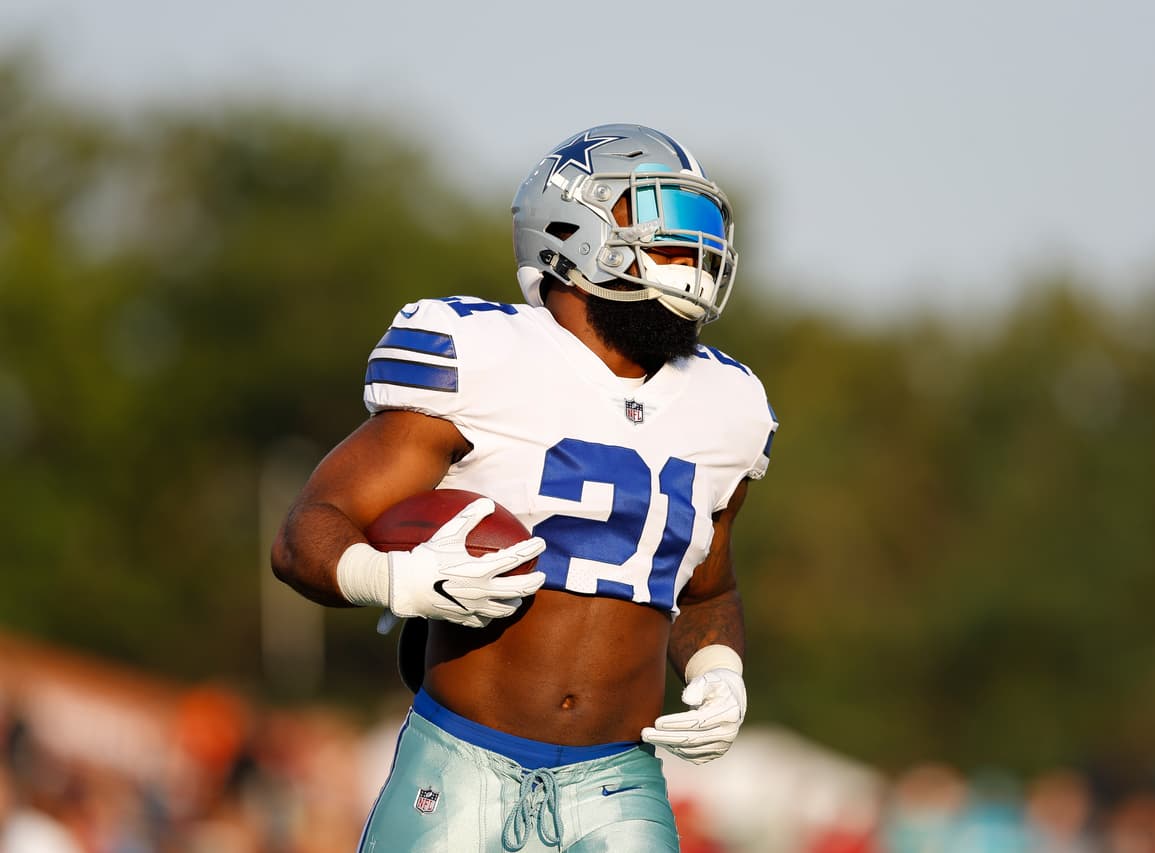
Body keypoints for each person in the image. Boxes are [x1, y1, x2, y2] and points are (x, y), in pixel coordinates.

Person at [272, 123, 777, 852]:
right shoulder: (480, 356)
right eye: (665, 232)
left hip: (619, 781)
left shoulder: (727, 404)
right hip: (459, 757)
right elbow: (306, 531)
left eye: (700, 233)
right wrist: (391, 576)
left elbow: (708, 591)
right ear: (572, 231)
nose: (693, 257)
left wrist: (720, 671)